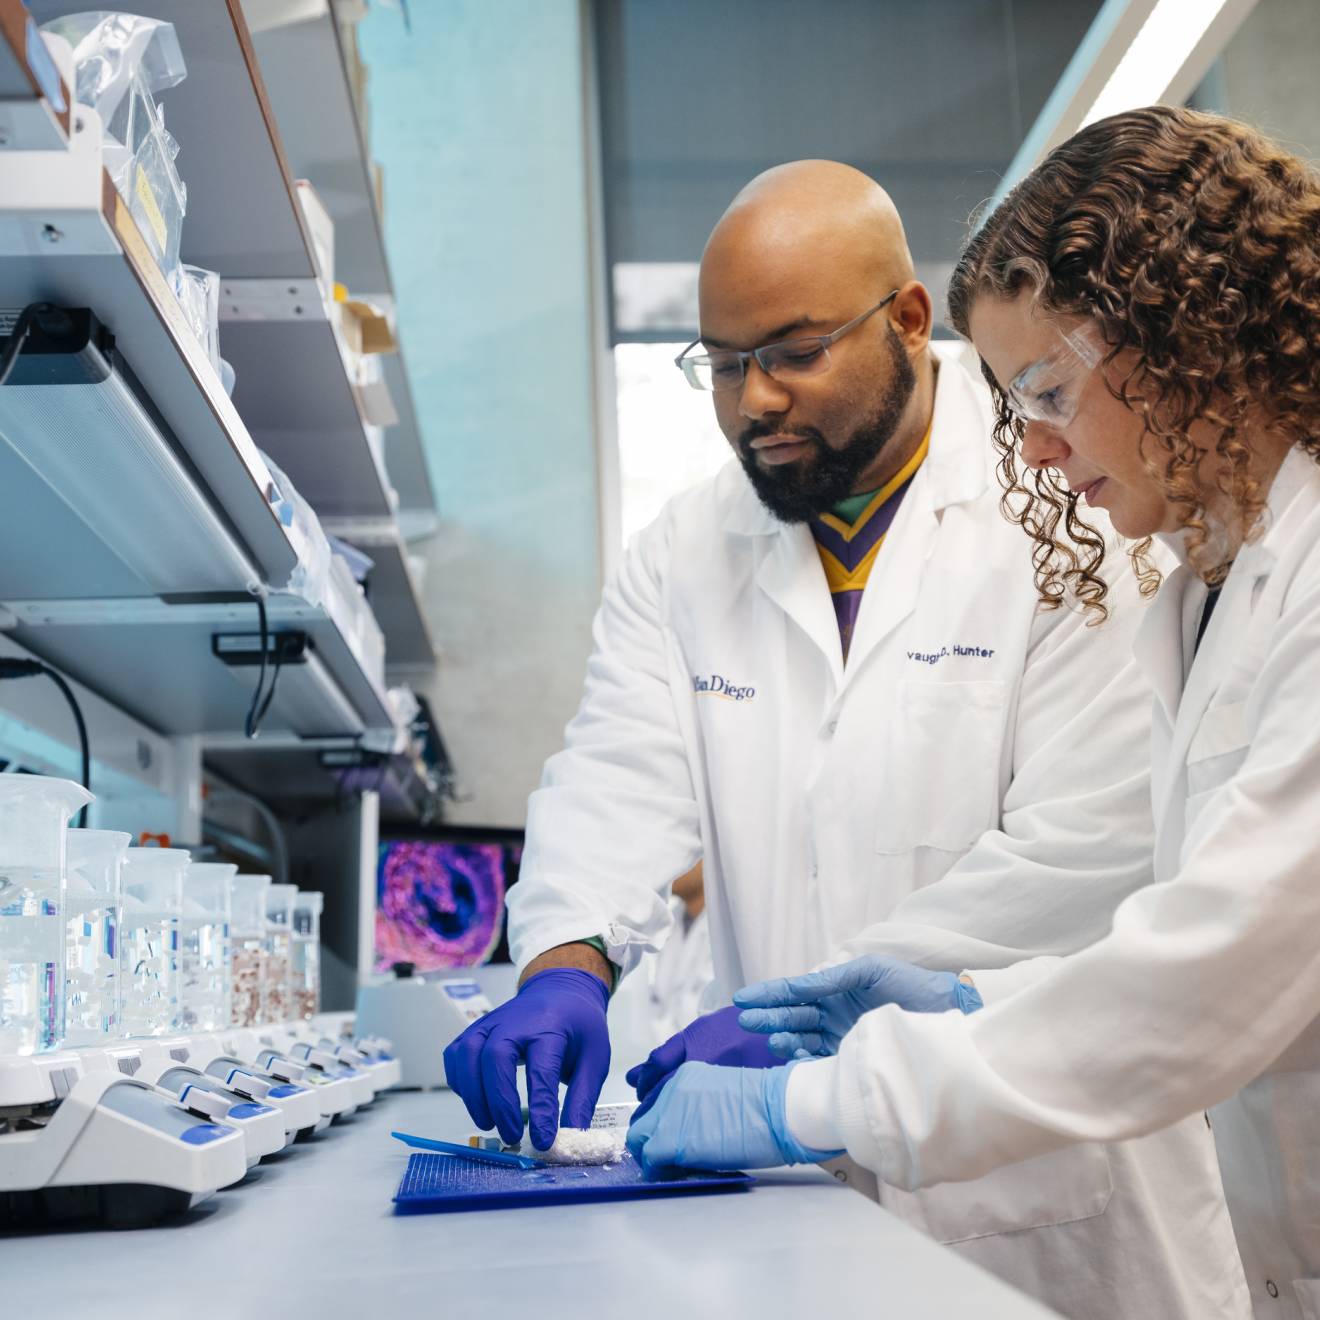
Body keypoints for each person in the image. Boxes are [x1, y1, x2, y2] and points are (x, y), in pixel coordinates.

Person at [446, 160, 1249, 1317]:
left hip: (1054, 1211)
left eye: (790, 352)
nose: (751, 401)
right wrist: (566, 962)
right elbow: (618, 769)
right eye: (721, 366)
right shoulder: (686, 550)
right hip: (790, 1212)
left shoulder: (1072, 495)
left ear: (910, 322)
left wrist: (800, 1019)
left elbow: (1091, 843)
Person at [627, 107, 1320, 1319]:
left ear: (1186, 345)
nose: (1039, 454)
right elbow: (1184, 926)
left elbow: (1207, 976)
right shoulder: (1215, 596)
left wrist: (810, 1102)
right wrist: (969, 1003)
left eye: (1050, 389)